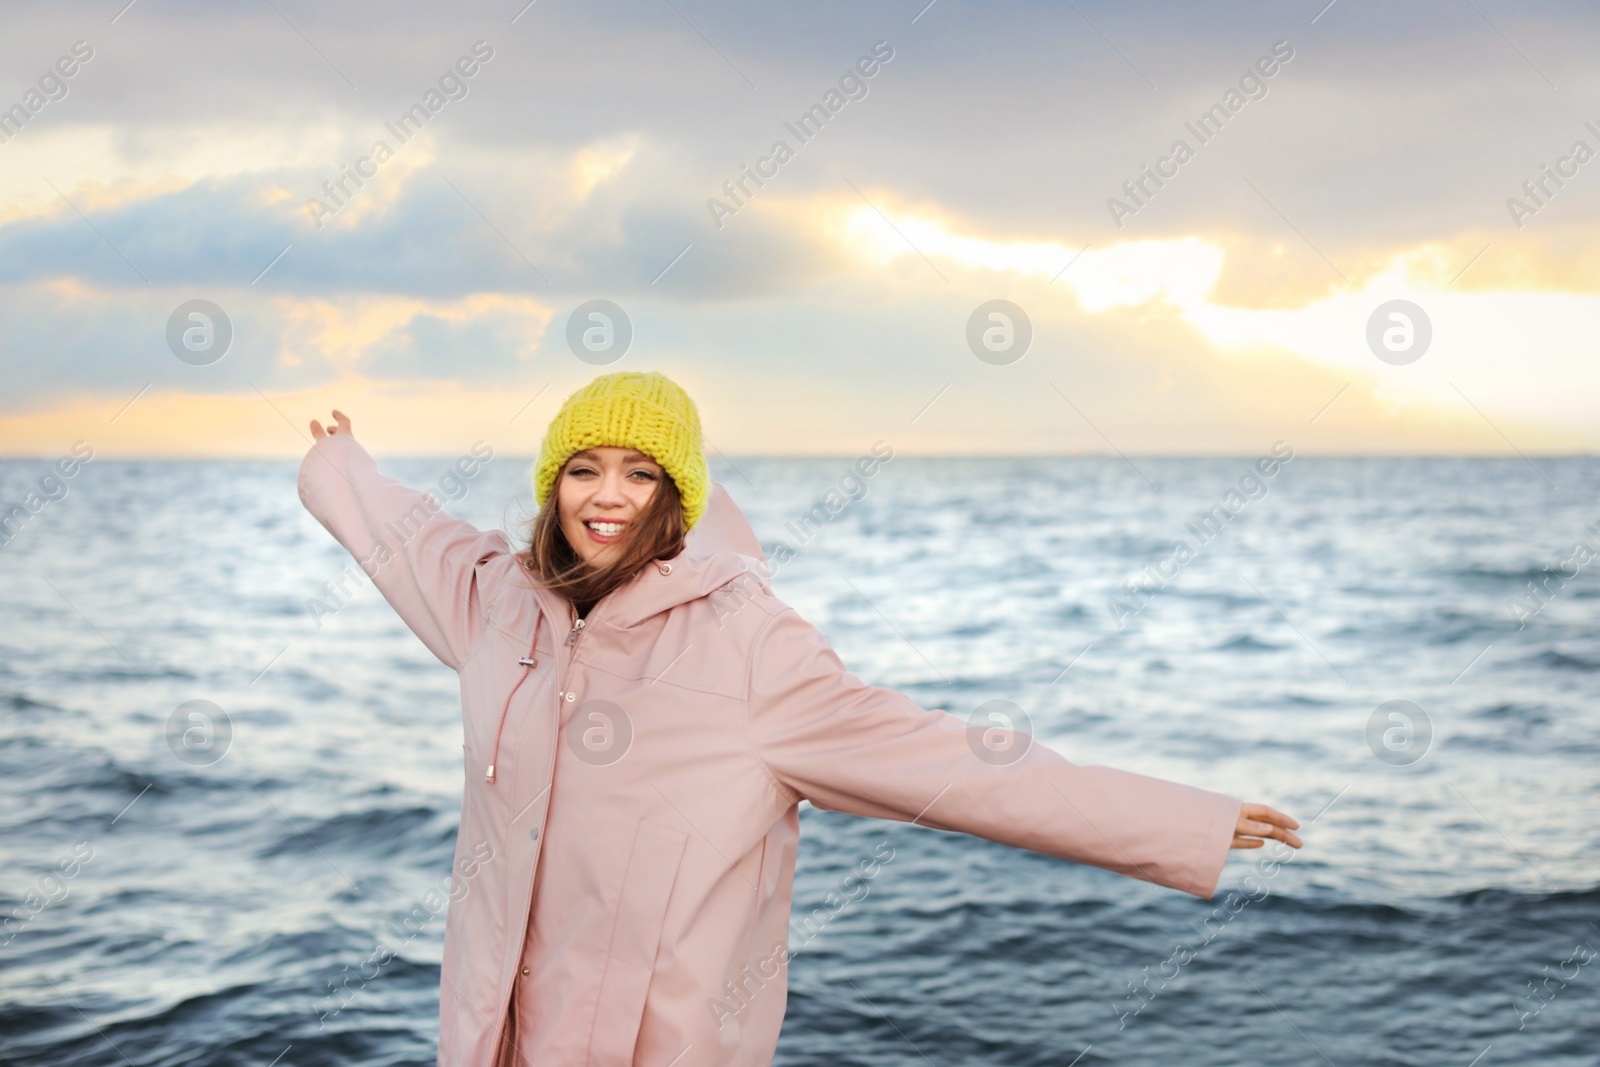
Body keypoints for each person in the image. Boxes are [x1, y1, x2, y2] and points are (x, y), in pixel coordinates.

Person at [298, 370, 1302, 1067]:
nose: (606, 496)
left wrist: (1185, 821)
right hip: (490, 1033)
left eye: (638, 472)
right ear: (550, 482)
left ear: (676, 495)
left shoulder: (751, 646)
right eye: (583, 467)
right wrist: (341, 459)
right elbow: (401, 528)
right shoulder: (497, 602)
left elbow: (954, 762)